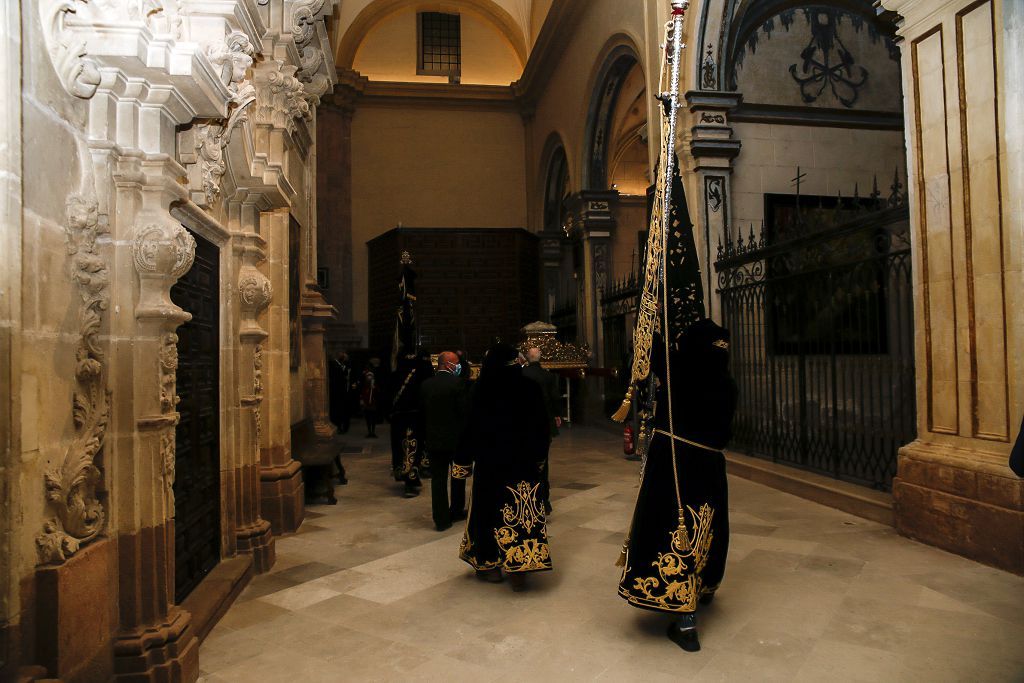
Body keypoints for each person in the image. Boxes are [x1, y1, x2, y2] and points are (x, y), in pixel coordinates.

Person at [617, 319, 737, 652]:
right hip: (711, 466)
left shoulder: (679, 371)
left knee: (672, 527)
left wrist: (650, 306)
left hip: (675, 463)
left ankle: (686, 622)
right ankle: (705, 586)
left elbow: (646, 340)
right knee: (707, 528)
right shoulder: (728, 383)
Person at [453, 343, 552, 590]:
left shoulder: (480, 390)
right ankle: (520, 568)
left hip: (491, 465)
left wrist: (462, 463)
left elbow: (469, 429)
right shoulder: (530, 388)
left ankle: (491, 567)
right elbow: (542, 427)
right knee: (522, 514)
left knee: (488, 513)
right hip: (523, 464)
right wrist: (539, 459)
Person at [419, 351, 468, 530]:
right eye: (456, 362)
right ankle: (456, 510)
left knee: (438, 480)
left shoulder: (425, 385)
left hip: (433, 440)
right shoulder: (458, 383)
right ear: (447, 364)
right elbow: (463, 413)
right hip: (456, 441)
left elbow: (422, 414)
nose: (459, 366)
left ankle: (441, 519)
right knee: (458, 477)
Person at [521, 346, 561, 515]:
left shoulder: (521, 375)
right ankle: (544, 498)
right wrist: (557, 415)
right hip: (544, 425)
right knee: (543, 463)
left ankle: (528, 498)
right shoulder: (548, 376)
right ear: (540, 358)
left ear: (527, 358)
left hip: (525, 424)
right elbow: (554, 398)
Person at [390, 351, 433, 497]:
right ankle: (411, 480)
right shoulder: (422, 370)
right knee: (412, 446)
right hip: (415, 415)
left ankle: (408, 473)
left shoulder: (397, 372)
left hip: (400, 415)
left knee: (404, 446)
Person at [328, 350, 352, 434]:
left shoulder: (344, 365)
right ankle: (338, 426)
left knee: (343, 411)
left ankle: (344, 426)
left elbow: (347, 374)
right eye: (343, 355)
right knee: (338, 410)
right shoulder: (334, 364)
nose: (344, 357)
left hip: (344, 391)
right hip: (337, 391)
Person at [360, 357, 381, 438]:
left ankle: (373, 431)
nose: (369, 378)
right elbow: (362, 394)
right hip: (366, 404)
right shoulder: (364, 387)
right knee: (368, 419)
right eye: (368, 377)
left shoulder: (374, 387)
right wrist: (361, 401)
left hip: (373, 404)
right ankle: (369, 432)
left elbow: (378, 393)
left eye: (370, 377)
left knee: (373, 419)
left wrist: (374, 387)